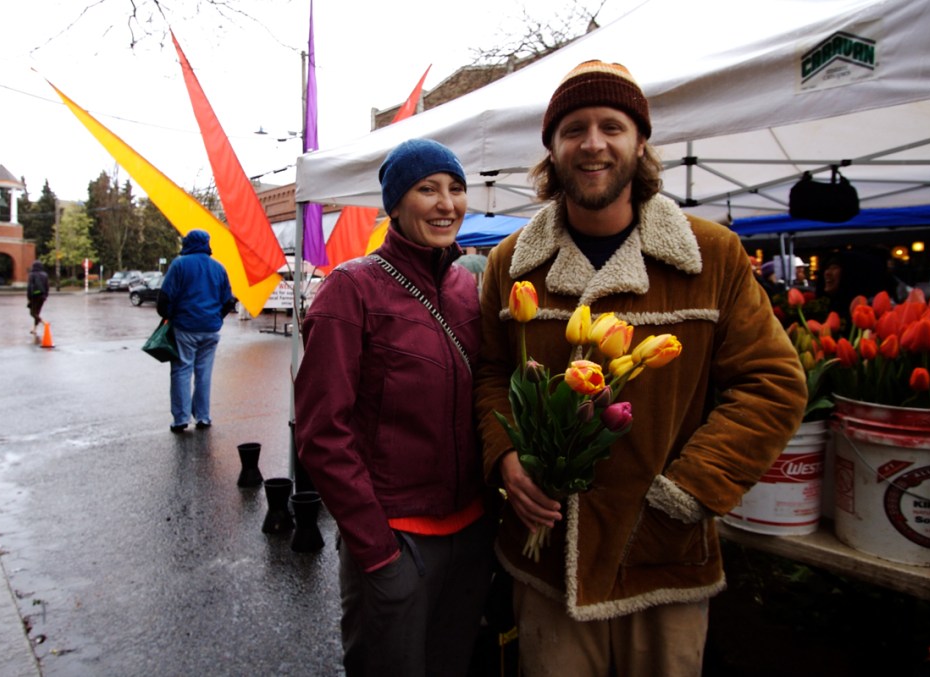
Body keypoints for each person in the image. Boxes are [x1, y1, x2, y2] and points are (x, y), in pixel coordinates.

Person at [474, 60, 808, 676]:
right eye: (573, 129)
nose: (592, 143)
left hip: (661, 555)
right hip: (546, 558)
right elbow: (492, 373)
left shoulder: (711, 254)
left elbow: (773, 384)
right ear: (552, 149)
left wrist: (690, 491)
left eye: (612, 126)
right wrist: (507, 456)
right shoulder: (511, 263)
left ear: (640, 143)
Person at [294, 139, 493, 677]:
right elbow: (321, 432)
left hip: (471, 535)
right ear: (396, 205)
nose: (446, 203)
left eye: (456, 188)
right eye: (427, 189)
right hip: (395, 538)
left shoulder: (465, 287)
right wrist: (378, 551)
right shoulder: (351, 290)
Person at [156, 230, 235, 433]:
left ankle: (181, 419)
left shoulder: (179, 265)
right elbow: (228, 301)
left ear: (187, 243)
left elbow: (165, 297)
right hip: (210, 329)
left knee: (182, 371)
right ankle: (203, 416)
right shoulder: (218, 267)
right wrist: (217, 318)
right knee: (204, 373)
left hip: (185, 327)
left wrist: (168, 316)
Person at [26, 260, 49, 335]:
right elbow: (47, 286)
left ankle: (44, 322)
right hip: (42, 295)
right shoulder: (45, 275)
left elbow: (30, 286)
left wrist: (29, 297)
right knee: (37, 313)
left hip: (34, 295)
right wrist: (46, 295)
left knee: (32, 313)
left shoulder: (32, 274)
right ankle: (34, 329)